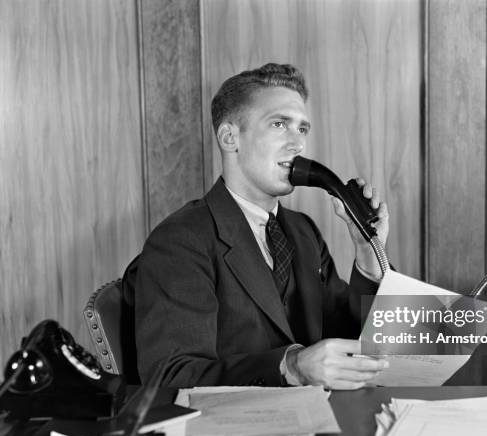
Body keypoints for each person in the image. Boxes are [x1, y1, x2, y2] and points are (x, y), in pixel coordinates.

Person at [126, 63, 390, 389]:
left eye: (303, 129)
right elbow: (171, 378)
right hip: (232, 434)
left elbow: (350, 341)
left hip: (318, 426)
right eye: (280, 124)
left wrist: (368, 256)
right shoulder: (181, 241)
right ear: (229, 137)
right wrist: (290, 367)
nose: (297, 144)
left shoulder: (302, 231)